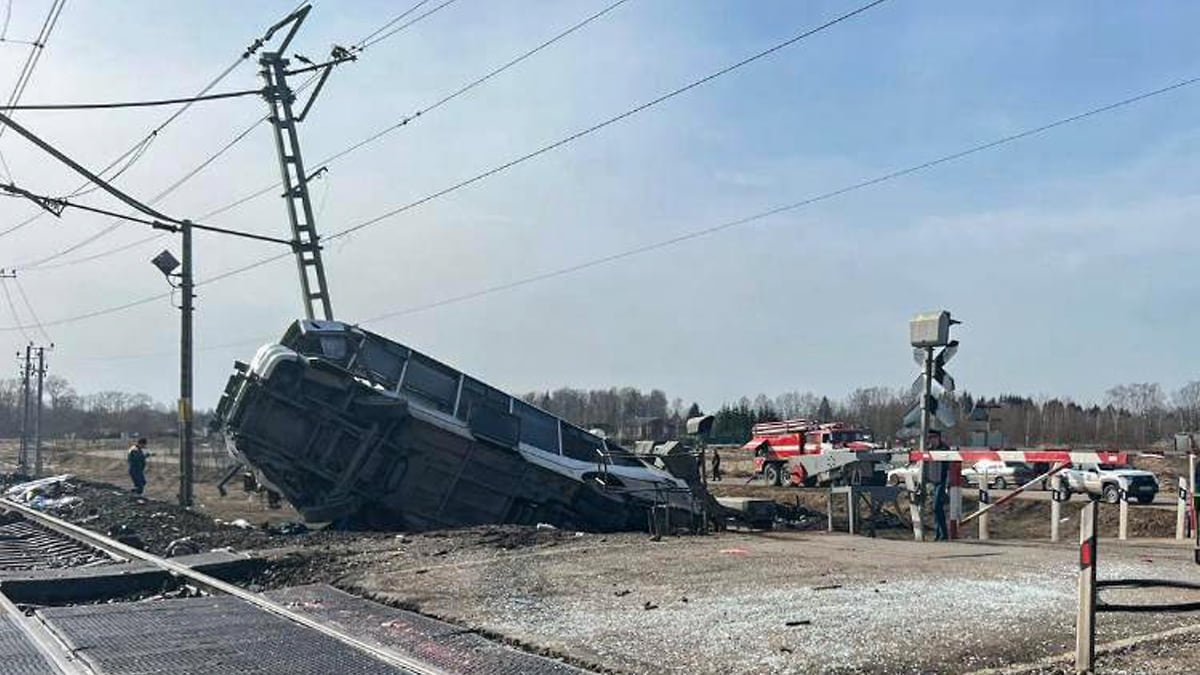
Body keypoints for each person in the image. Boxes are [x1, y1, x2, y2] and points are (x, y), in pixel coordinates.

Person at [927, 429, 950, 541]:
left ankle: (943, 533)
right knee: (936, 508)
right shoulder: (929, 449)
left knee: (936, 506)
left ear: (938, 437)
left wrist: (947, 484)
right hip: (933, 481)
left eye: (933, 437)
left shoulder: (944, 449)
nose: (931, 440)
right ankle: (939, 533)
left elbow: (948, 467)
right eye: (930, 438)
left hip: (942, 480)